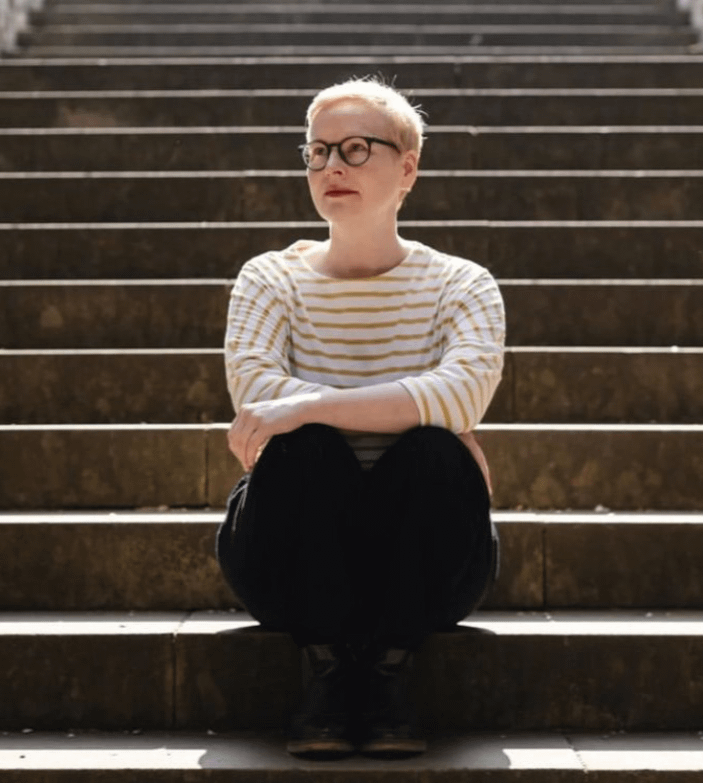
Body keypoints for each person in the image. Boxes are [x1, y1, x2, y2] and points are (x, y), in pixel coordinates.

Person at [216, 76, 506, 760]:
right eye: (316, 152)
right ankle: (325, 668)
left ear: (407, 167)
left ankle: (385, 672)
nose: (330, 168)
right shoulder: (268, 279)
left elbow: (461, 394)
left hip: (428, 558)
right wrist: (406, 406)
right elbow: (257, 394)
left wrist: (310, 402)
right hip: (290, 555)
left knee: (433, 454)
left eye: (353, 148)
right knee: (307, 449)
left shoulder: (462, 285)